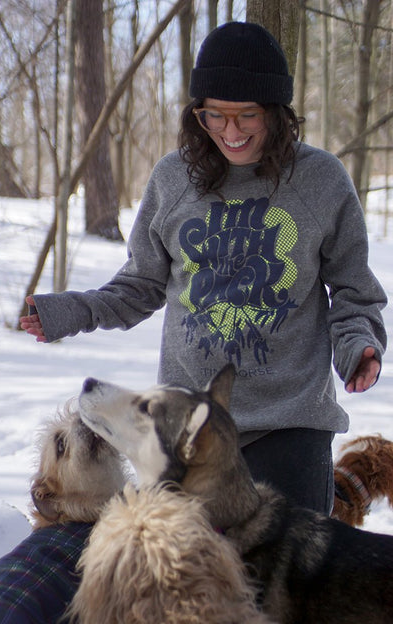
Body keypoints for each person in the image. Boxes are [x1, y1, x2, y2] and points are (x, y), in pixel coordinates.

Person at [20, 22, 387, 515]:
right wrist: (70, 311)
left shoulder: (320, 180)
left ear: (277, 114)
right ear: (198, 115)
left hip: (290, 425)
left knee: (287, 587)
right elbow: (140, 286)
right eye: (215, 116)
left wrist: (357, 345)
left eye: (247, 116)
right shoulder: (174, 180)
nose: (231, 133)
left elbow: (353, 289)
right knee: (191, 580)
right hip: (187, 432)